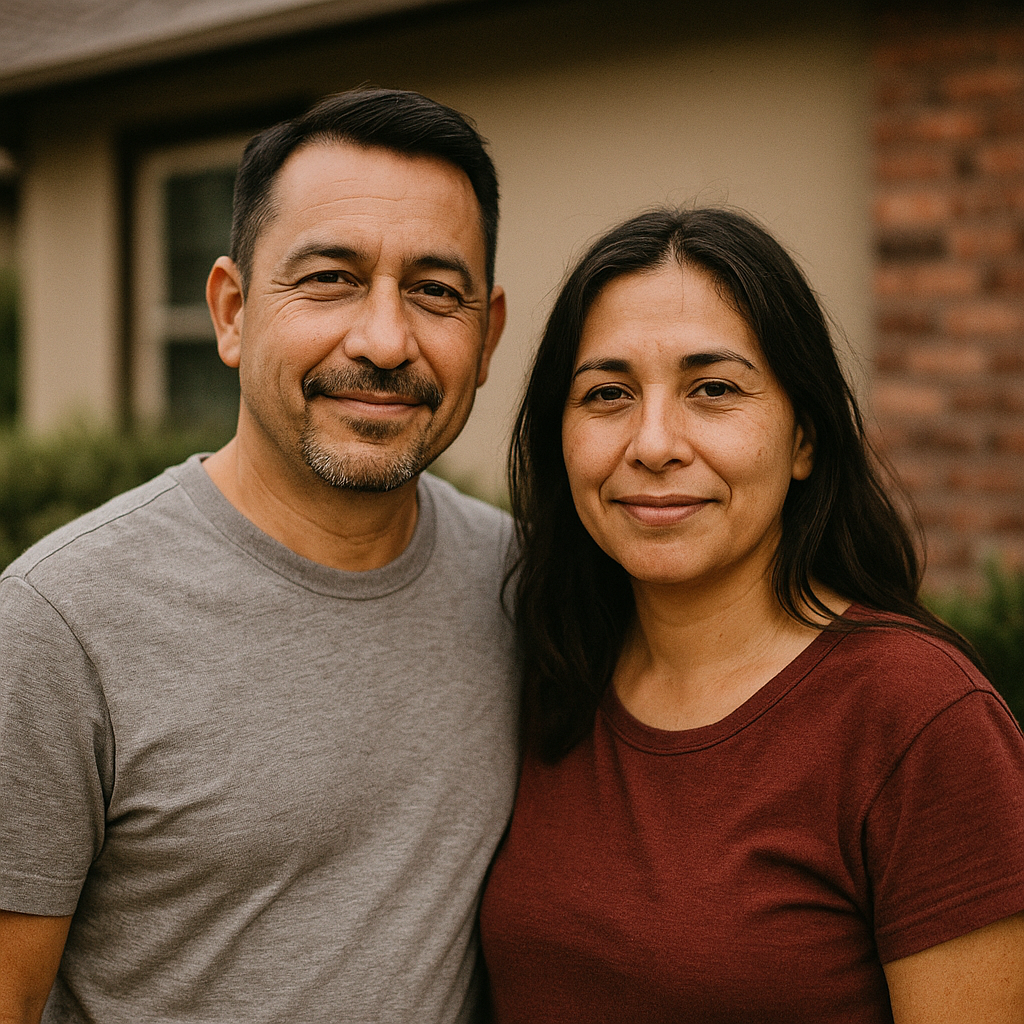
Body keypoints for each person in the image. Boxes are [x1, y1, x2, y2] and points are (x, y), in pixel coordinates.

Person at [0, 88, 518, 1024]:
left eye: (437, 293)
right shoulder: (60, 621)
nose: (386, 340)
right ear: (232, 311)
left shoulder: (519, 582)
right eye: (330, 278)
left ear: (487, 338)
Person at [480, 207, 1024, 1022]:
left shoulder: (916, 716)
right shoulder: (547, 667)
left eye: (714, 390)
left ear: (804, 437)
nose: (654, 442)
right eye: (607, 393)